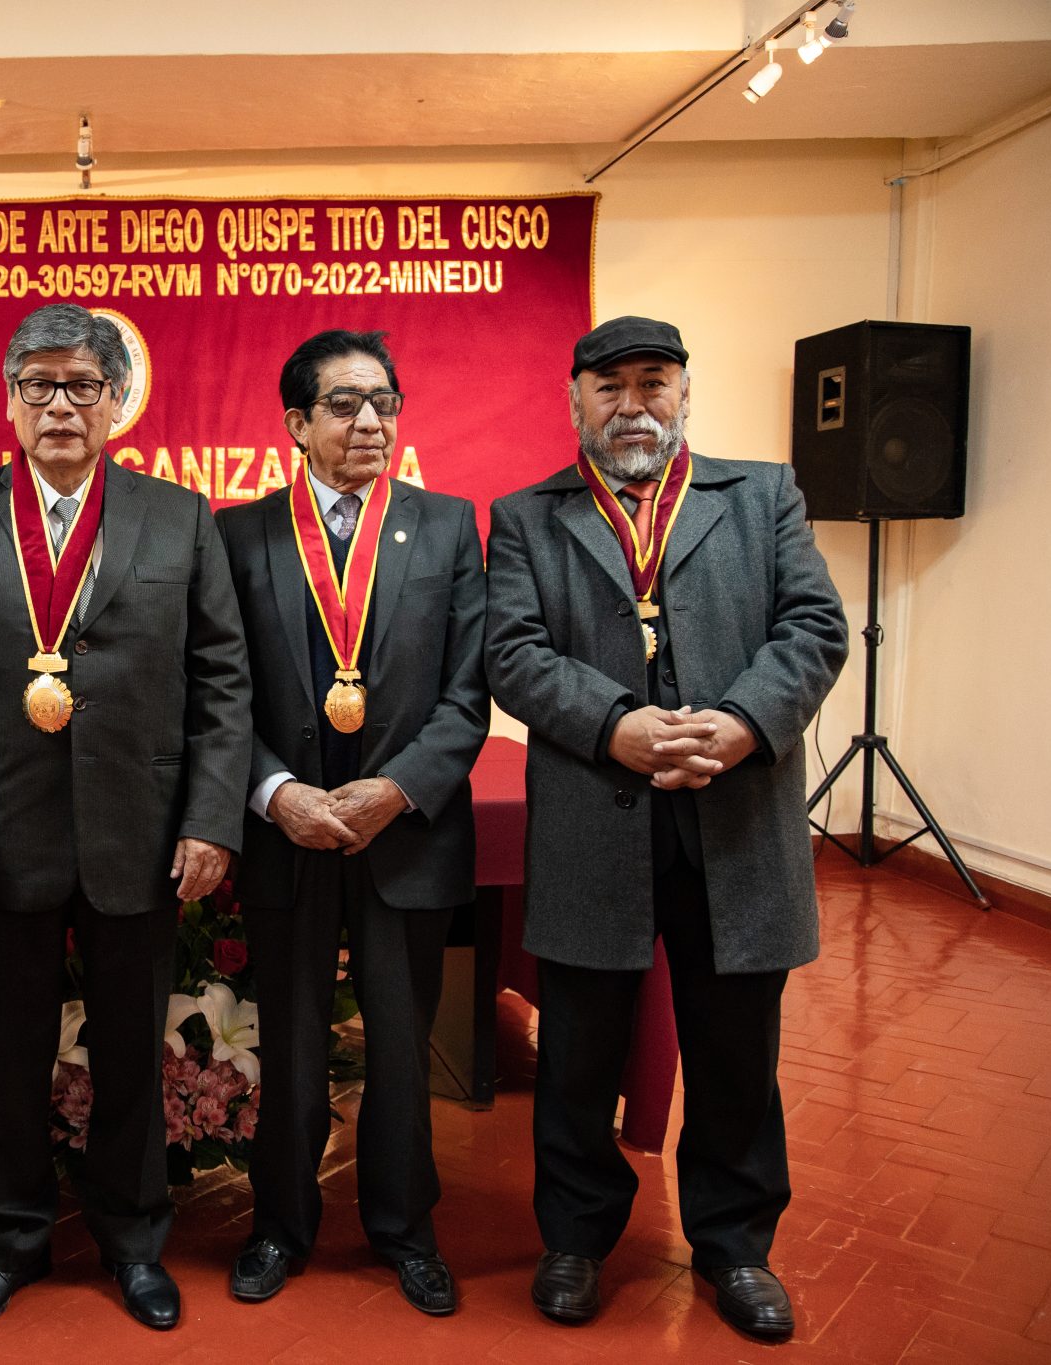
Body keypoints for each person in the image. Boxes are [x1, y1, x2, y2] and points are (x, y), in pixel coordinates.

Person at [484, 315, 847, 1340]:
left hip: (733, 819)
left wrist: (737, 725)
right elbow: (509, 654)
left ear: (683, 394)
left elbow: (812, 627)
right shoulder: (524, 518)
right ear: (575, 403)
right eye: (608, 388)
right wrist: (615, 726)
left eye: (652, 383)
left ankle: (734, 1249)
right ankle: (574, 1239)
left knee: (735, 1053)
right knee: (578, 1054)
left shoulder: (759, 494)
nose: (631, 404)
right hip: (594, 823)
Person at [0, 303, 252, 1333]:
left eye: (81, 386)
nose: (59, 405)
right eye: (38, 386)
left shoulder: (176, 515)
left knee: (133, 1048)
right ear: (9, 403)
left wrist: (209, 816)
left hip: (140, 834)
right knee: (2, 1051)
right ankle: (8, 1244)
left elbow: (219, 680)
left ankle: (134, 1240)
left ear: (113, 403)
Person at [215, 330, 488, 1313]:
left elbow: (468, 695)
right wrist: (274, 793)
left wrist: (397, 788)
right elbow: (218, 694)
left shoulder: (449, 527)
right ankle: (279, 1227)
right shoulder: (238, 537)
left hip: (401, 833)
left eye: (382, 403)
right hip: (284, 833)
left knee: (400, 1047)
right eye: (342, 405)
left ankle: (403, 1229)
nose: (368, 423)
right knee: (285, 1045)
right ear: (295, 423)